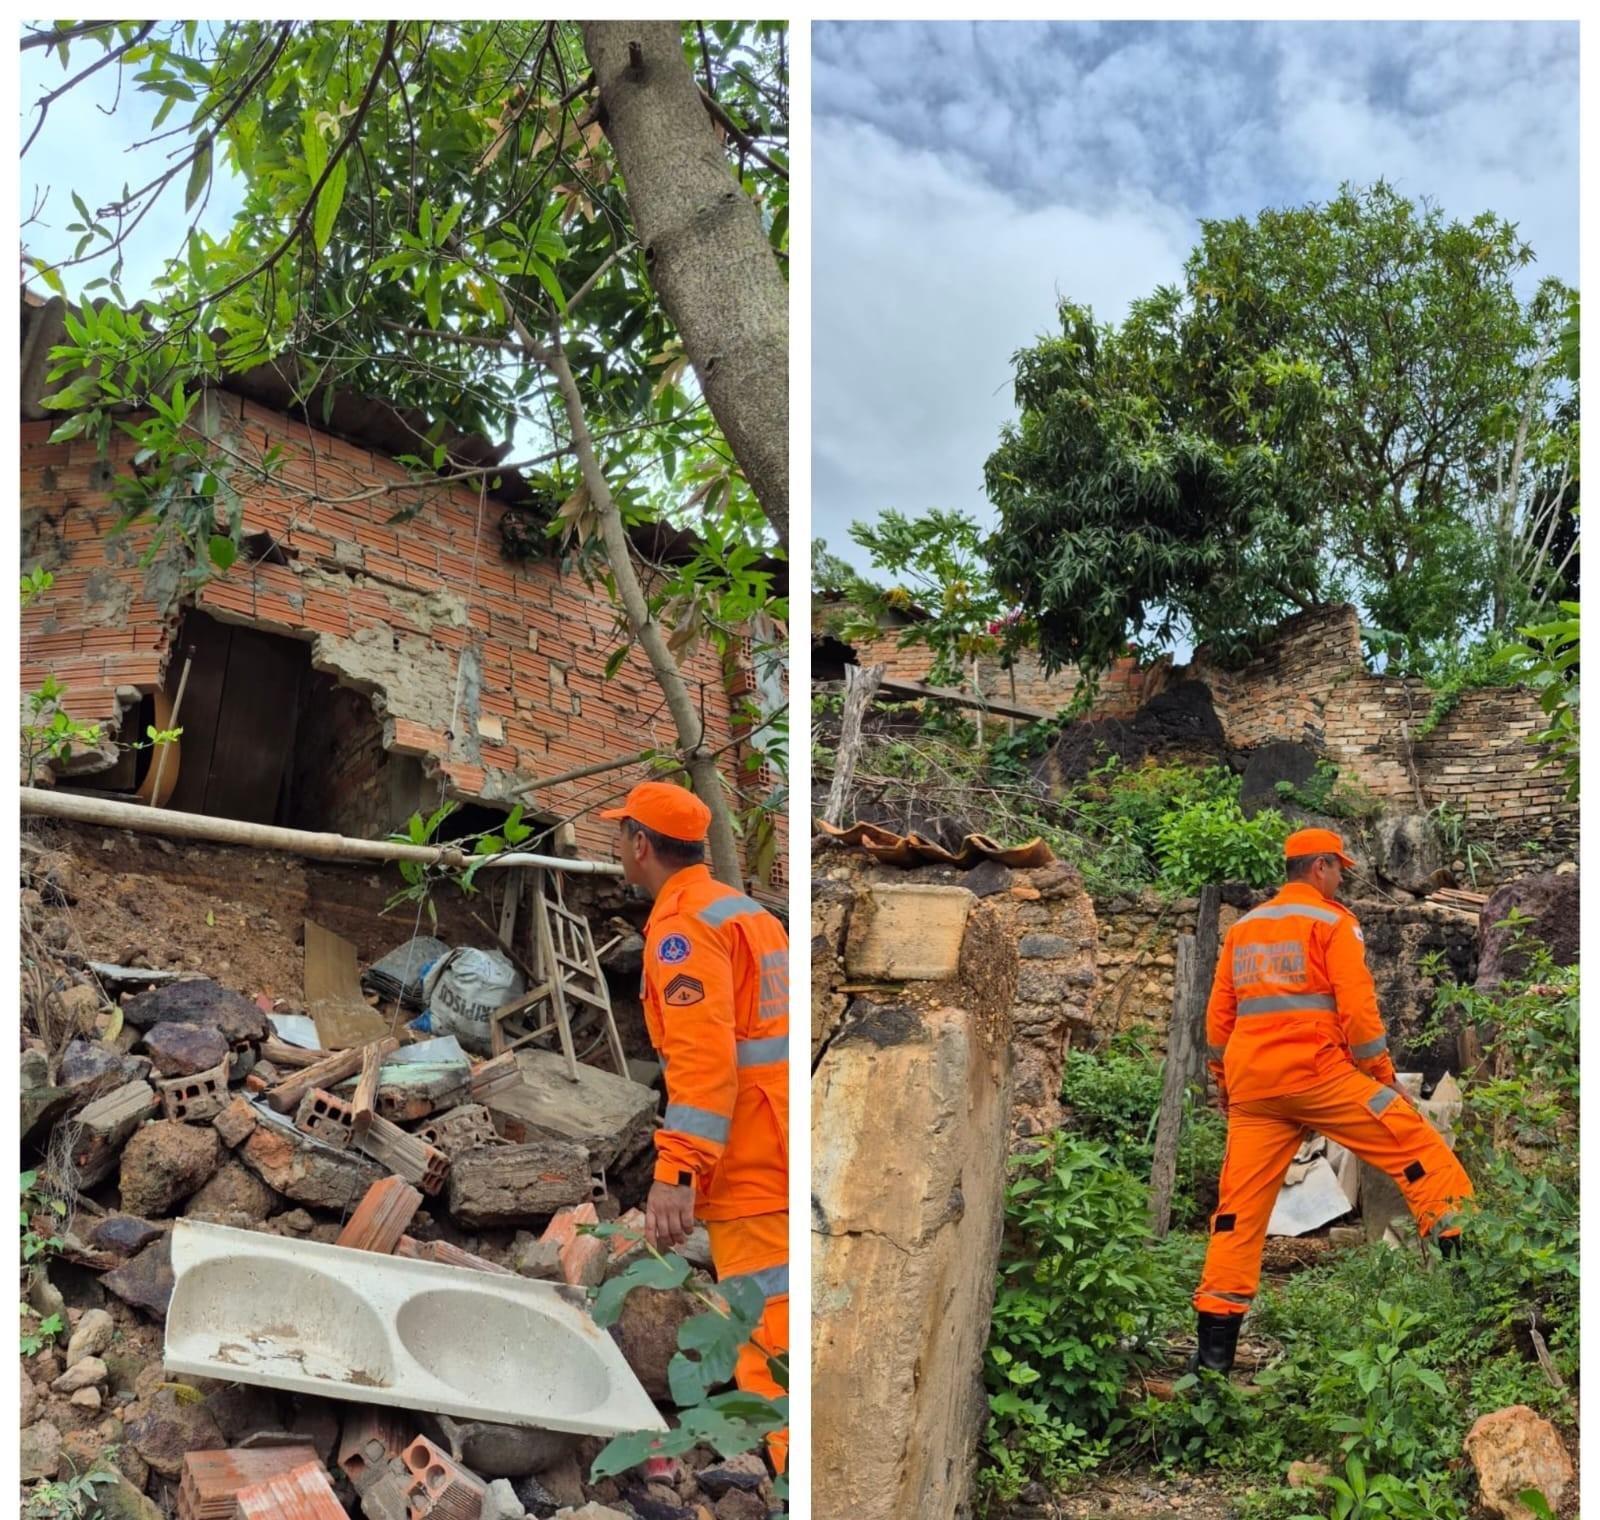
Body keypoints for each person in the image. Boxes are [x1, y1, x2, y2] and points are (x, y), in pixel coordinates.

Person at [1191, 827, 1474, 1375]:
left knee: (1237, 1216)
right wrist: (1383, 1078)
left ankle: (1211, 1365)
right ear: (1320, 867)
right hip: (1320, 1078)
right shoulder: (1332, 923)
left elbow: (1219, 1017)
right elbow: (1359, 1013)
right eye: (1339, 868)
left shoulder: (1244, 929)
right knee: (1418, 1147)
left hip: (1254, 1090)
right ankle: (1471, 1277)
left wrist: (1224, 1081)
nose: (1342, 878)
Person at [602, 780, 790, 1470]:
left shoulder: (684, 930)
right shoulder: (747, 912)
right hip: (781, 1140)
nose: (616, 844)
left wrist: (677, 1172)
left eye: (620, 832)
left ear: (641, 845)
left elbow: (705, 1063)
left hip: (751, 1167)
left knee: (771, 1349)